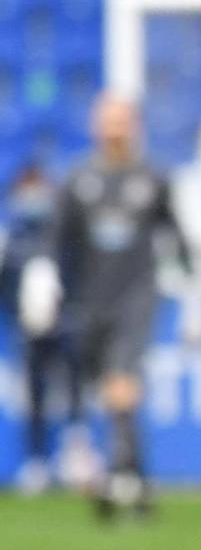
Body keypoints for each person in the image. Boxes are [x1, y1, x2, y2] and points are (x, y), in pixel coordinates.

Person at [34, 94, 201, 519]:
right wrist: (44, 280)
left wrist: (195, 298)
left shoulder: (153, 178)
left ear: (134, 125)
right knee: (109, 391)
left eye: (121, 121)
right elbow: (57, 240)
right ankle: (137, 480)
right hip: (91, 300)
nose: (113, 129)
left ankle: (119, 475)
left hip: (138, 295)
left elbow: (177, 236)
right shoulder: (77, 180)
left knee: (122, 377)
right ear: (95, 126)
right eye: (106, 121)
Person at [2, 159, 81, 494]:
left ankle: (76, 454)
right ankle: (36, 461)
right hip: (29, 329)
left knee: (74, 386)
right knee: (35, 394)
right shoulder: (12, 240)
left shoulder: (61, 237)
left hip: (65, 325)